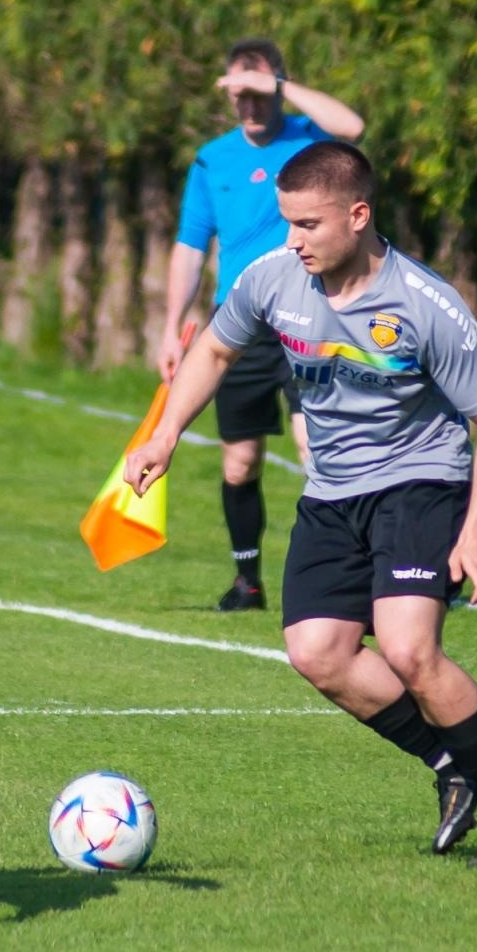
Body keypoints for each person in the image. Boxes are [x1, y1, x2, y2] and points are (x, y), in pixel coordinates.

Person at [127, 143, 477, 867]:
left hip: (420, 481)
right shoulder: (273, 278)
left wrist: (475, 534)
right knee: (316, 652)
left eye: (308, 225)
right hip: (331, 491)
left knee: (410, 648)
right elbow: (217, 352)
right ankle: (453, 770)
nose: (293, 240)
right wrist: (166, 434)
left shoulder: (424, 304)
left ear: (358, 215)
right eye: (288, 224)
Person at [157, 37, 365, 612]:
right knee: (240, 459)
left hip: (310, 314)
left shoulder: (308, 139)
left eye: (259, 91)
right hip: (239, 323)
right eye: (237, 92)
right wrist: (170, 327)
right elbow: (189, 246)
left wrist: (277, 85)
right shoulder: (211, 159)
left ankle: (353, 569)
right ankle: (247, 582)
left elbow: (353, 125)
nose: (249, 104)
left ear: (278, 86)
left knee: (315, 446)